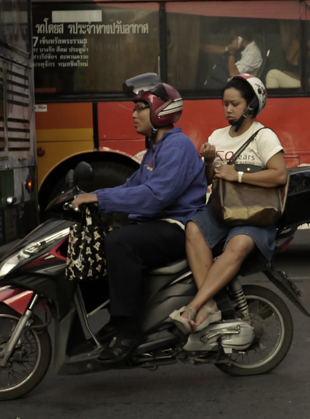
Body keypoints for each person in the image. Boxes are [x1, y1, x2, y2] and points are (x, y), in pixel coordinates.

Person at [70, 73, 207, 362]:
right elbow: (131, 186)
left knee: (120, 243)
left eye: (140, 107)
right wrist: (91, 196)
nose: (134, 114)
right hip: (158, 224)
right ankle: (115, 320)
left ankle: (129, 331)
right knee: (97, 247)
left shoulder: (177, 147)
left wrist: (100, 199)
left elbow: (156, 195)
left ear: (160, 110)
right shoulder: (155, 149)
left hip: (178, 226)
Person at [169, 74, 288, 332]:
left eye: (235, 104)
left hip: (255, 213)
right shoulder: (217, 135)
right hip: (222, 209)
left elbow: (280, 175)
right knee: (193, 228)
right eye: (225, 104)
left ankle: (195, 305)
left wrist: (240, 175)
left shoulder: (264, 136)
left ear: (251, 106)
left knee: (239, 243)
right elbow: (208, 179)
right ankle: (210, 304)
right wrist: (210, 162)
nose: (229, 110)